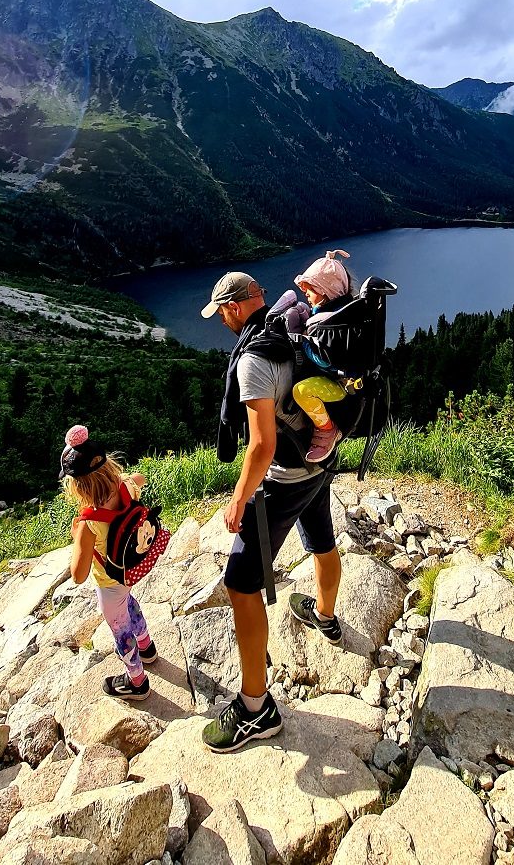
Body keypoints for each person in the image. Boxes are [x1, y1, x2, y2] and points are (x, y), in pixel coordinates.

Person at [199, 272, 344, 754]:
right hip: (321, 459)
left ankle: (256, 708)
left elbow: (262, 445)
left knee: (241, 582)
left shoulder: (254, 359)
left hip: (288, 475)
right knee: (322, 538)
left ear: (236, 307)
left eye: (220, 310)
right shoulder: (289, 324)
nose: (220, 318)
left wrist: (240, 496)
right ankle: (324, 616)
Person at [60, 424, 157, 701]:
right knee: (130, 605)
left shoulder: (88, 523)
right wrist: (123, 480)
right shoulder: (126, 487)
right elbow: (142, 478)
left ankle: (136, 681)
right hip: (131, 570)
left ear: (77, 487)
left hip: (109, 582)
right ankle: (147, 648)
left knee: (120, 628)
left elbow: (78, 575)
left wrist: (77, 536)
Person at [289, 248, 354, 463]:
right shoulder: (343, 313)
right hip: (349, 379)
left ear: (325, 291)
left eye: (310, 289)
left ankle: (327, 429)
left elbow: (324, 360)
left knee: (302, 391)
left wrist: (303, 341)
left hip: (341, 384)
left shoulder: (327, 324)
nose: (305, 293)